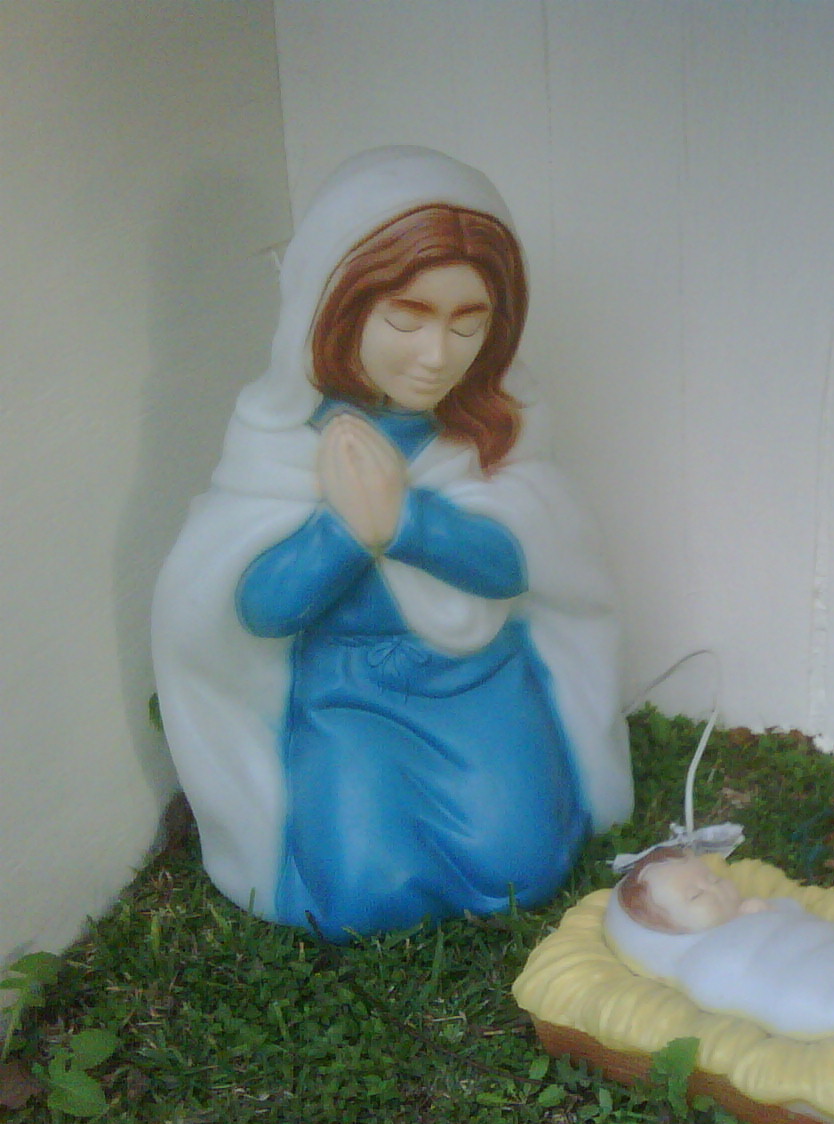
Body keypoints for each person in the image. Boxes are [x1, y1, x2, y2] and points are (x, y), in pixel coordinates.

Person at [153, 147, 633, 941]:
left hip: (479, 684)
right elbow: (258, 605)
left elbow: (524, 559)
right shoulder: (284, 442)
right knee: (359, 898)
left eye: (467, 323)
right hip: (348, 699)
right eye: (406, 318)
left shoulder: (494, 431)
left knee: (522, 870)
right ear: (337, 307)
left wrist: (405, 524)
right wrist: (347, 533)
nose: (437, 355)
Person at [603, 848, 834, 1039]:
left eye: (713, 879)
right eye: (695, 896)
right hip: (815, 990)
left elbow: (805, 923)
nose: (714, 890)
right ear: (671, 929)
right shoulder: (699, 960)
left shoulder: (760, 907)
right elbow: (738, 985)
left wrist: (770, 911)